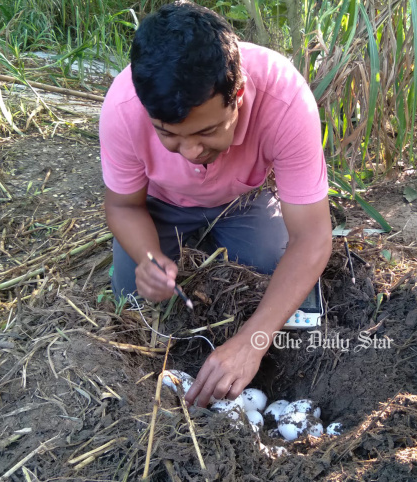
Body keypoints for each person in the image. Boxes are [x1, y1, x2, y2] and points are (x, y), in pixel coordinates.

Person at [99, 1, 332, 407]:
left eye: (207, 131)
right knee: (133, 300)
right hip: (160, 206)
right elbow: (123, 207)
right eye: (168, 135)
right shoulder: (123, 109)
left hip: (241, 202)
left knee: (274, 277)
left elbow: (312, 236)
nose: (190, 151)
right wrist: (149, 257)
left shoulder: (285, 100)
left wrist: (253, 341)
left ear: (238, 95)